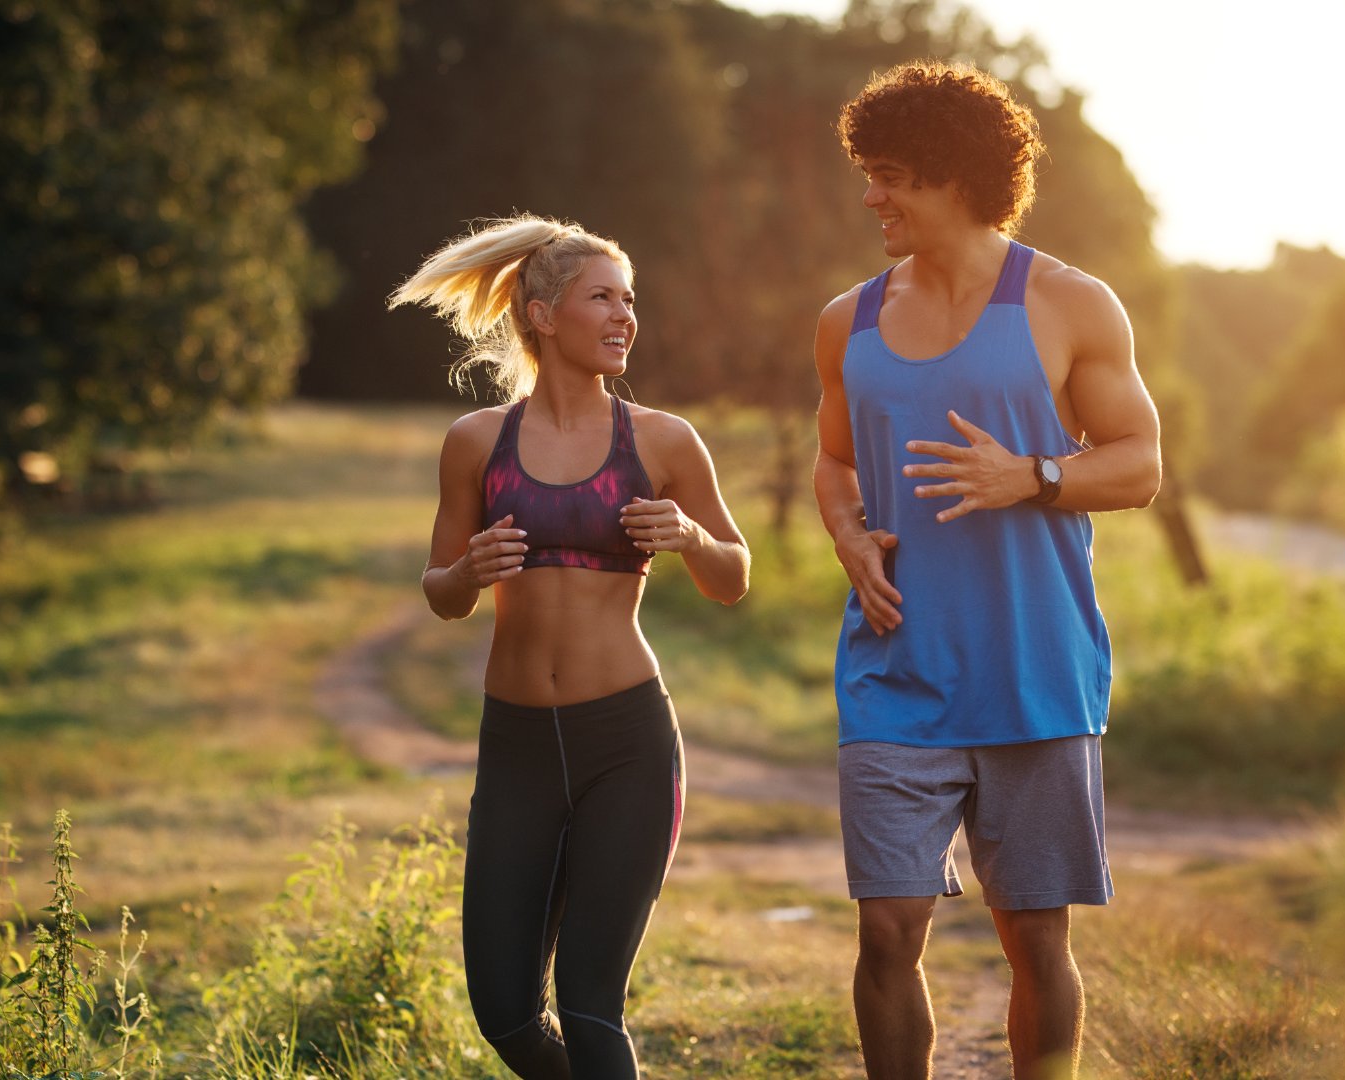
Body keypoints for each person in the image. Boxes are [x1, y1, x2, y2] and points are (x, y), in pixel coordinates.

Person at [812, 62, 1161, 1080]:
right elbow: (833, 459)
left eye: (889, 176)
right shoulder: (849, 320)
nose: (870, 196)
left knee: (1035, 941)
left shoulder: (1069, 302)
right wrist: (847, 534)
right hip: (893, 671)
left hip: (1034, 674)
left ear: (955, 179)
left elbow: (1139, 463)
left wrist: (1035, 475)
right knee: (887, 930)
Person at [389, 214, 749, 1079]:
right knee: (506, 1013)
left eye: (630, 300)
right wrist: (470, 569)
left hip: (625, 741)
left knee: (591, 1005)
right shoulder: (476, 443)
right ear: (543, 316)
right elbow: (441, 596)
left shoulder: (661, 441)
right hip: (515, 746)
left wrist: (692, 539)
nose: (624, 316)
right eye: (602, 298)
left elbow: (733, 576)